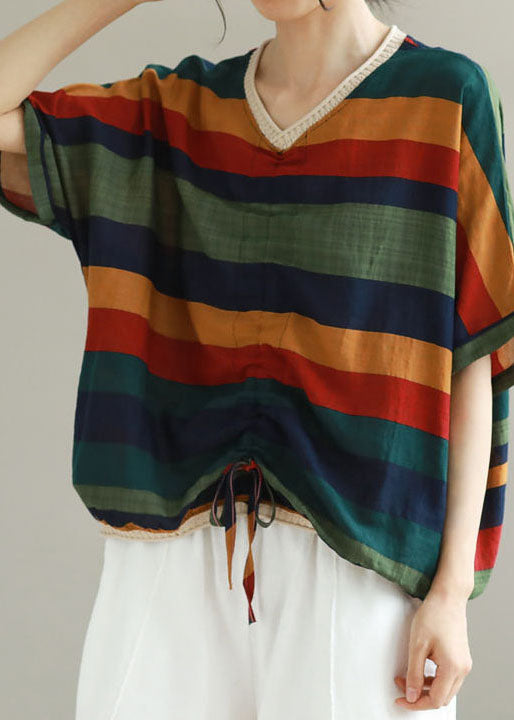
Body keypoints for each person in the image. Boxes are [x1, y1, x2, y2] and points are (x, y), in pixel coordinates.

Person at [1, 0, 513, 718]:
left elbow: (473, 355)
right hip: (170, 563)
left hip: (361, 565)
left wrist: (452, 592)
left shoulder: (443, 96)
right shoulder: (178, 111)